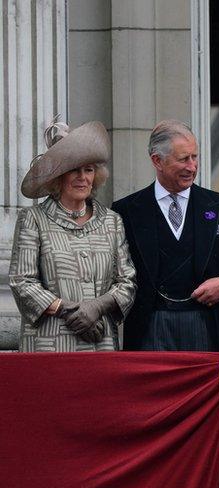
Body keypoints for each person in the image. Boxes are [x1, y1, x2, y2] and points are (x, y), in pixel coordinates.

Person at [112, 120, 219, 351]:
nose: (192, 167)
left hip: (207, 327)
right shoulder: (126, 210)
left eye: (195, 157)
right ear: (157, 161)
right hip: (149, 329)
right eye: (183, 159)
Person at [9, 120, 136, 351]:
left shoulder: (111, 221)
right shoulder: (34, 219)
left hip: (101, 343)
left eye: (88, 170)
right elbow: (22, 282)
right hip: (50, 344)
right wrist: (67, 309)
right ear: (57, 177)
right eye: (73, 170)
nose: (82, 177)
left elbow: (127, 282)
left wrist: (96, 308)